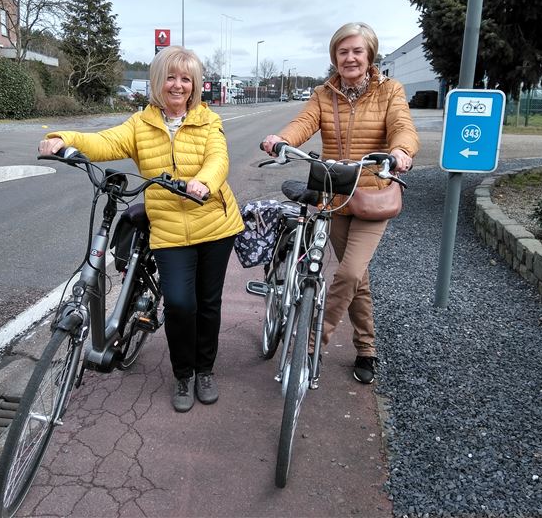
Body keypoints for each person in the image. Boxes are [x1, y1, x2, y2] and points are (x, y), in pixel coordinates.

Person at [38, 46, 244, 412]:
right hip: (168, 229)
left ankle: (205, 370)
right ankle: (183, 374)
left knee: (208, 304)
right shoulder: (141, 124)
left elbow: (218, 158)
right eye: (170, 77)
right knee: (181, 305)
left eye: (185, 79)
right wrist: (63, 138)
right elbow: (104, 141)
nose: (177, 86)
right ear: (157, 81)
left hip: (214, 224)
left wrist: (203, 182)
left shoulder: (208, 120)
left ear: (195, 85)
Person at [262, 22, 419, 384]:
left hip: (373, 197)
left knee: (347, 273)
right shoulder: (324, 93)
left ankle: (312, 344)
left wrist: (400, 151)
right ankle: (367, 349)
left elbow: (402, 125)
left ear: (370, 55)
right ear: (335, 56)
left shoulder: (389, 90)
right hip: (334, 198)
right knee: (357, 278)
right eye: (343, 51)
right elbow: (304, 123)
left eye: (357, 51)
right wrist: (281, 140)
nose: (350, 58)